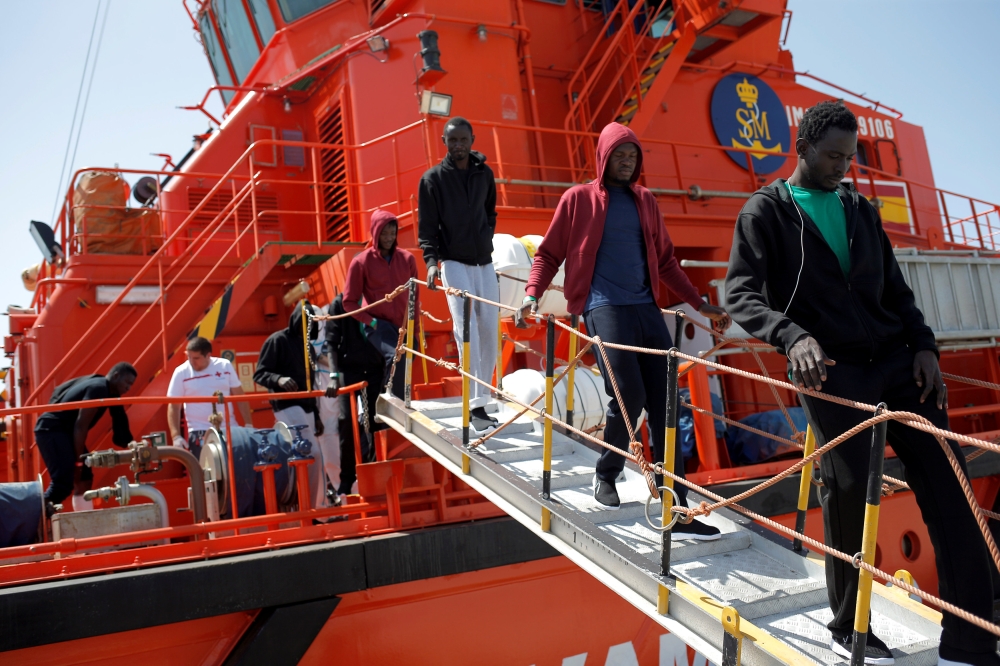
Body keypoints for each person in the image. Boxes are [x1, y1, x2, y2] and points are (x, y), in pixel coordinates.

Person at [725, 100, 996, 666]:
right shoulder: (763, 214)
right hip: (830, 368)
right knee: (849, 489)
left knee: (950, 485)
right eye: (832, 156)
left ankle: (972, 637)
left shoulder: (861, 211)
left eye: (850, 157)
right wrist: (790, 335)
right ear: (800, 149)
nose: (843, 167)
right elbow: (741, 294)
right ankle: (850, 626)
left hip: (898, 362)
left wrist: (924, 346)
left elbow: (897, 293)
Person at [517, 122, 731, 543]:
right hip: (602, 305)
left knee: (668, 403)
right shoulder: (577, 199)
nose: (628, 161)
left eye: (633, 155)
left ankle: (678, 508)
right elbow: (548, 253)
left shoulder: (645, 201)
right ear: (603, 157)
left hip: (645, 309)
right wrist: (532, 294)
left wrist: (699, 303)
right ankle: (607, 474)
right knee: (628, 395)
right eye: (620, 154)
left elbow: (667, 261)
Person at [418, 116, 500, 433]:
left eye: (463, 140)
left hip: (484, 262)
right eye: (452, 140)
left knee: (490, 328)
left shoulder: (485, 175)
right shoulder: (432, 180)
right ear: (444, 141)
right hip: (453, 262)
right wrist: (431, 263)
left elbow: (490, 212)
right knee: (468, 331)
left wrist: (486, 238)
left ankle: (484, 398)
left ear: (472, 139)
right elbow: (428, 229)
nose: (458, 145)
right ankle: (474, 406)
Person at [254, 302, 331, 511]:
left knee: (314, 455)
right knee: (311, 452)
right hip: (287, 405)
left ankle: (313, 506)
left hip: (306, 408)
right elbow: (260, 373)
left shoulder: (307, 348)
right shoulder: (278, 340)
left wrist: (316, 416)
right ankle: (312, 508)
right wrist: (278, 380)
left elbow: (310, 385)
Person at [33, 362, 137, 509]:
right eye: (127, 383)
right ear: (116, 376)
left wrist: (129, 442)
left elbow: (58, 391)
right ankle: (30, 515)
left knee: (84, 478)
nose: (128, 388)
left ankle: (84, 524)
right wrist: (78, 462)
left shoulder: (104, 387)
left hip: (64, 431)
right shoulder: (99, 388)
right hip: (52, 430)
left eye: (131, 385)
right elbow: (80, 426)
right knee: (63, 482)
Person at [342, 209, 419, 401]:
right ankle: (395, 403)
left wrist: (415, 329)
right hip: (379, 325)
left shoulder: (408, 259)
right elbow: (349, 302)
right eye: (384, 233)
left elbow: (414, 298)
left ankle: (386, 396)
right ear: (375, 232)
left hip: (404, 324)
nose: (389, 238)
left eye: (392, 233)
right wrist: (371, 322)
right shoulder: (361, 261)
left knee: (410, 355)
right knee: (396, 356)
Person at [325, 292, 382, 500]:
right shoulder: (339, 303)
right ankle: (346, 481)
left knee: (377, 422)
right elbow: (331, 342)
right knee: (347, 423)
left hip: (376, 369)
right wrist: (333, 376)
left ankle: (378, 475)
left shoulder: (377, 296)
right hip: (349, 372)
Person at [166, 336, 253, 461]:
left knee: (238, 471)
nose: (191, 361)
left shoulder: (225, 366)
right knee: (206, 476)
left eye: (196, 358)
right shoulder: (181, 372)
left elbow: (240, 396)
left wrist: (249, 425)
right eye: (188, 356)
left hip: (229, 428)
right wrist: (176, 437)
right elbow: (173, 406)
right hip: (199, 431)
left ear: (208, 355)